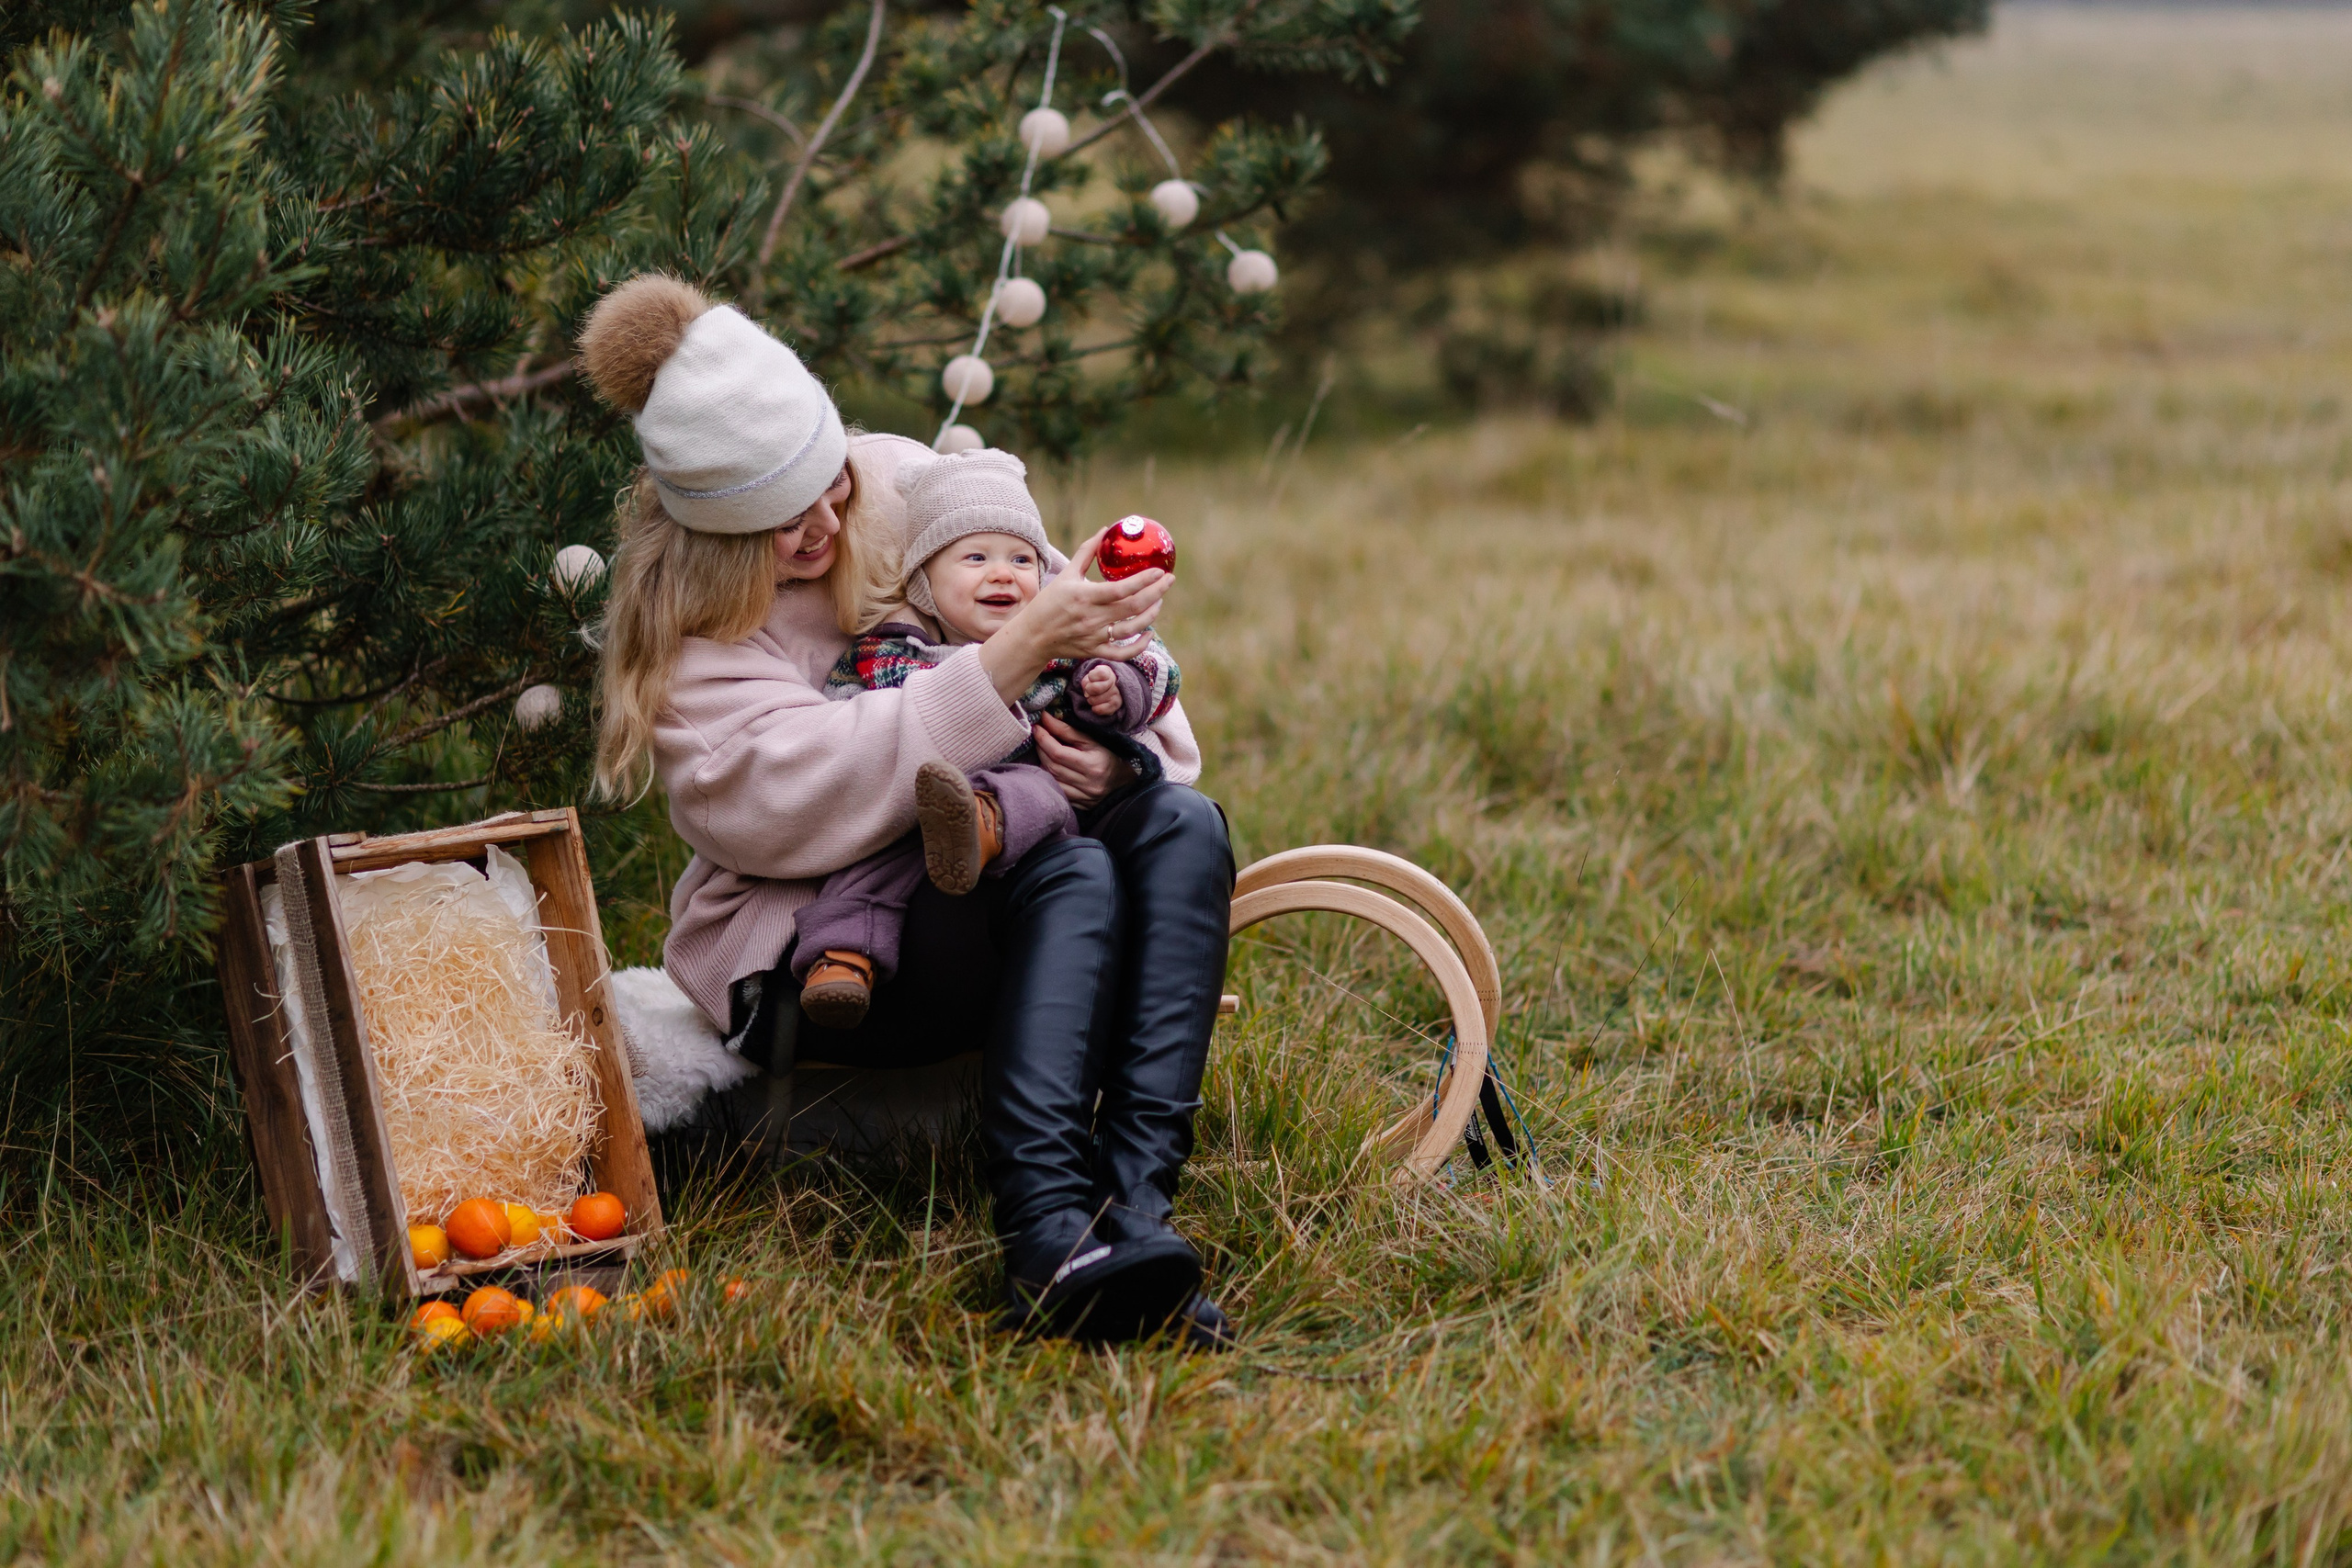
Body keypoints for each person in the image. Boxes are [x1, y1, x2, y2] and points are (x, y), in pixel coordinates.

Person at [578, 275, 1237, 1346]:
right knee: (1068, 873)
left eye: (827, 487)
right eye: (776, 522)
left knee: (1177, 826)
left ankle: (1134, 1221)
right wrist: (1008, 663)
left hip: (1005, 871)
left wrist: (1120, 766)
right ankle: (1043, 1236)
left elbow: (1111, 666)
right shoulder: (695, 640)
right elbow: (792, 804)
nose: (823, 526)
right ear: (709, 529)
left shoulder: (892, 482)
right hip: (819, 958)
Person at [789, 447, 1184, 1030]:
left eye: (1023, 559)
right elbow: (849, 712)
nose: (1004, 574)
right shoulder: (896, 649)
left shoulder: (1064, 642)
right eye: (975, 557)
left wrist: (1115, 687)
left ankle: (984, 822)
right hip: (918, 818)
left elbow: (1159, 670)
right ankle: (840, 962)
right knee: (868, 873)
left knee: (1034, 786)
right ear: (923, 582)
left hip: (1034, 824)